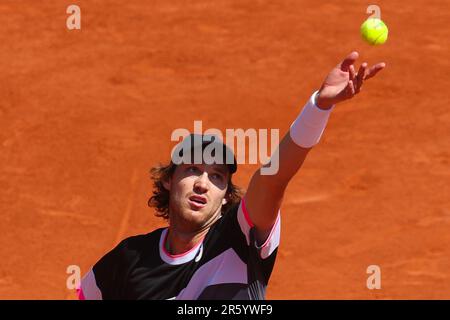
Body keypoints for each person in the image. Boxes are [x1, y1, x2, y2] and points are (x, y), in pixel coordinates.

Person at [78, 51, 385, 300]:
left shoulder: (238, 240)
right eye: (193, 170)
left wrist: (319, 107)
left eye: (217, 177)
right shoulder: (129, 258)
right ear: (169, 179)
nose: (202, 183)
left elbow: (274, 177)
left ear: (226, 197)